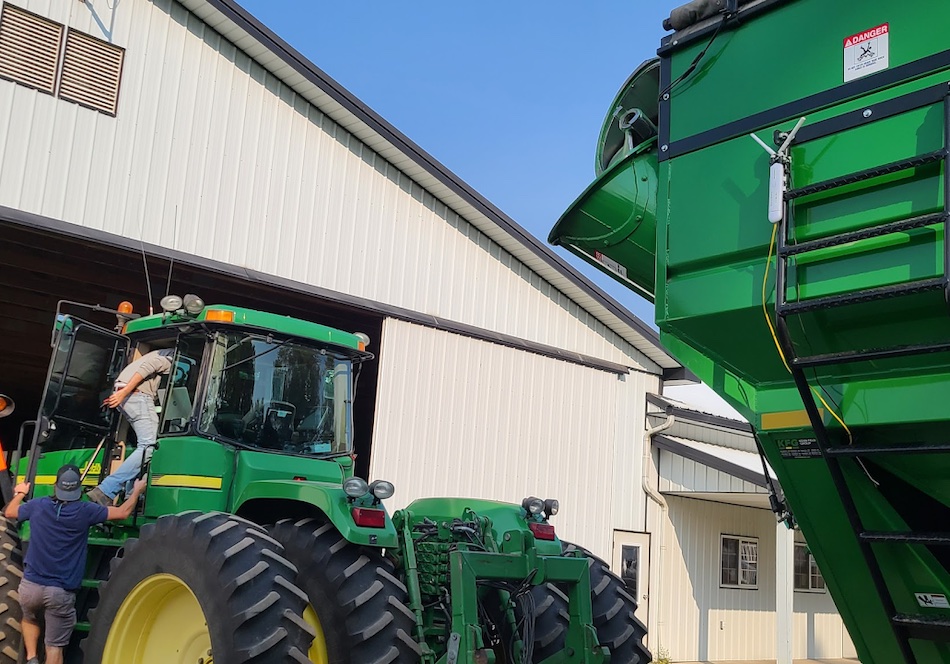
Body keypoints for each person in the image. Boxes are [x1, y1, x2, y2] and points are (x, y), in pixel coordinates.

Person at [5, 465, 146, 664]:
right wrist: (137, 490)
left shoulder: (38, 505)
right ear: (78, 489)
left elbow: (10, 512)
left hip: (30, 587)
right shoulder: (85, 510)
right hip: (60, 593)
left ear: (56, 487)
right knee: (54, 648)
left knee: (29, 618)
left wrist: (20, 493)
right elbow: (123, 512)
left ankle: (31, 658)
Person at [87, 348, 174, 505]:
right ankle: (105, 490)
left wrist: (121, 392)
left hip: (129, 394)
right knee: (150, 445)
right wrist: (124, 393)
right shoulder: (173, 355)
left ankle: (130, 494)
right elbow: (149, 366)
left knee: (143, 447)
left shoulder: (159, 352)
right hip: (136, 395)